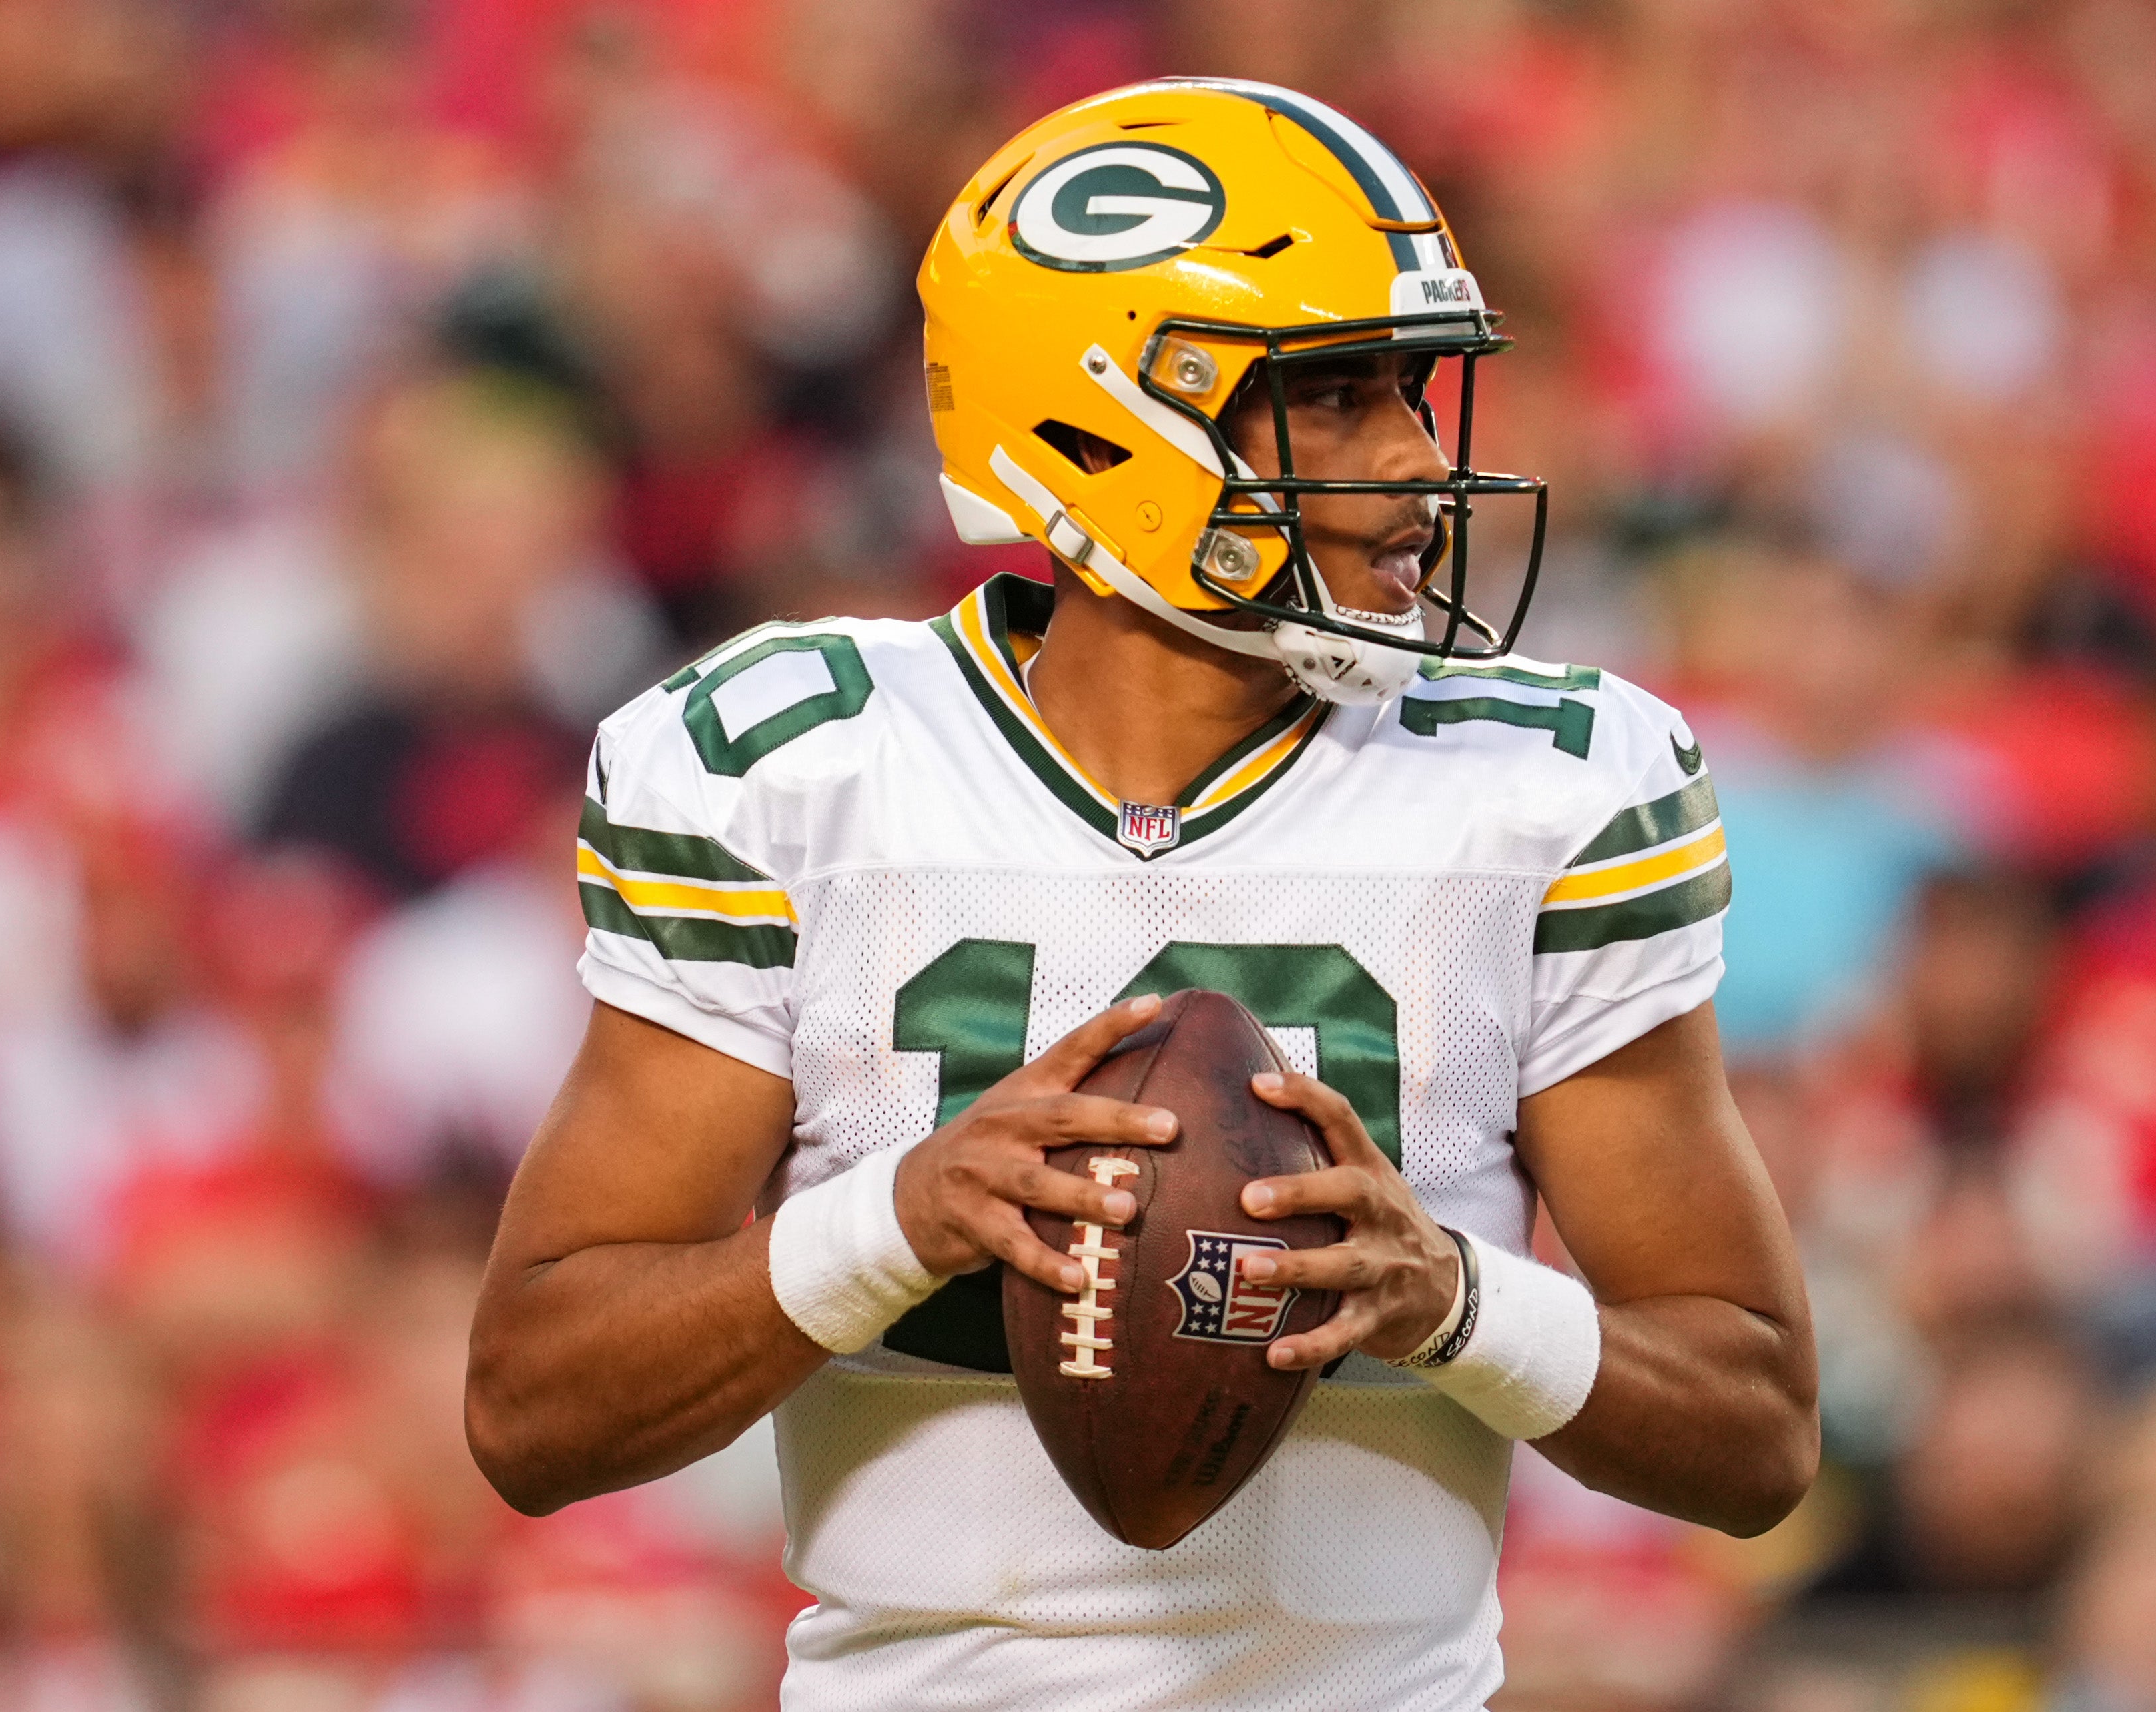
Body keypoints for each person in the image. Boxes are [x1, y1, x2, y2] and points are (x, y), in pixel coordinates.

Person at [464, 78, 1816, 1710]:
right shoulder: (793, 766)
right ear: (1101, 422)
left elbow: (1755, 1429)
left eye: (1410, 391)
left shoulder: (1548, 785)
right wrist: (895, 1220)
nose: (1412, 461)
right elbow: (534, 1407)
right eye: (1330, 400)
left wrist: (1451, 1297)